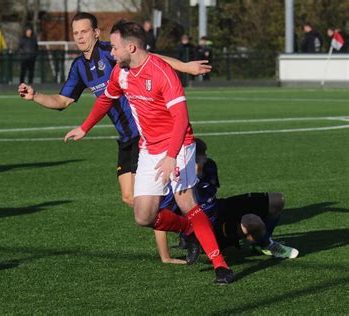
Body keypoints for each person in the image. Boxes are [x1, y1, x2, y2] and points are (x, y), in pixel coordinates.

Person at [64, 20, 234, 284]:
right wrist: (85, 127)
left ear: (131, 48)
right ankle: (188, 229)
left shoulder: (162, 73)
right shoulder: (120, 73)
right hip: (149, 148)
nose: (111, 53)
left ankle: (220, 265)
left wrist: (170, 155)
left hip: (178, 145)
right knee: (144, 216)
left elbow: (181, 118)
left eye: (115, 48)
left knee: (186, 201)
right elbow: (106, 99)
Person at [19, 12, 211, 208]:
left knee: (147, 201)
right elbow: (62, 100)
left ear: (96, 32)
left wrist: (185, 67)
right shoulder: (79, 67)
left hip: (143, 133)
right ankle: (187, 218)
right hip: (125, 135)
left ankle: (191, 222)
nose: (79, 36)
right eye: (75, 32)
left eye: (84, 31)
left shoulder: (111, 52)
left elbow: (149, 58)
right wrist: (36, 96)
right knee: (129, 198)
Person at [154, 138, 299, 264]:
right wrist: (165, 257)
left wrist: (198, 175)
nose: (199, 162)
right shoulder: (177, 180)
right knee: (253, 222)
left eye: (200, 158)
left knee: (277, 200)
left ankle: (259, 242)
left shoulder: (210, 166)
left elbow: (209, 196)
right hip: (206, 229)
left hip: (218, 209)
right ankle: (267, 245)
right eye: (194, 160)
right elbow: (159, 218)